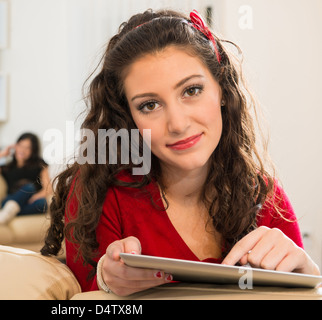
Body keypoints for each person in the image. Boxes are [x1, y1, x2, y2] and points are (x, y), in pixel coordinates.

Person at [41, 9, 320, 296]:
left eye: (192, 90)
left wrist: (308, 276)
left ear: (222, 89)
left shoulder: (265, 198)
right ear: (129, 117)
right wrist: (105, 282)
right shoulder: (99, 194)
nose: (177, 124)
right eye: (149, 105)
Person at [0, 132, 50, 224]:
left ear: (33, 151)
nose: (22, 150)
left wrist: (36, 197)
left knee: (41, 202)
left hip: (30, 202)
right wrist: (3, 153)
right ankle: (5, 213)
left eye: (27, 148)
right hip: (10, 200)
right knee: (28, 187)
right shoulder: (8, 167)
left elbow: (48, 188)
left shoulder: (40, 165)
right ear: (15, 146)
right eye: (20, 146)